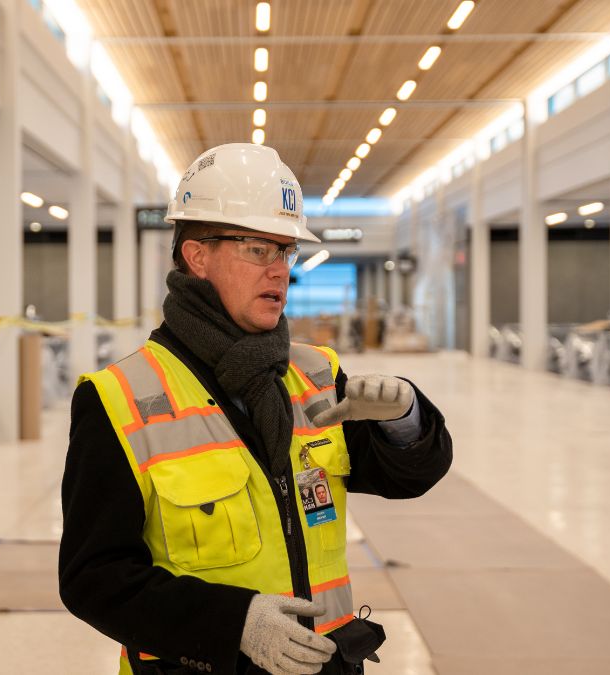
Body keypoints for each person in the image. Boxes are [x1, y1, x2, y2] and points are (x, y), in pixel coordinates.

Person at [59, 143, 452, 675]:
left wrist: (405, 421)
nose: (280, 271)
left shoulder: (314, 375)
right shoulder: (118, 398)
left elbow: (405, 478)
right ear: (198, 256)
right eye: (258, 250)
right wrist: (231, 623)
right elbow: (95, 578)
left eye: (284, 251)